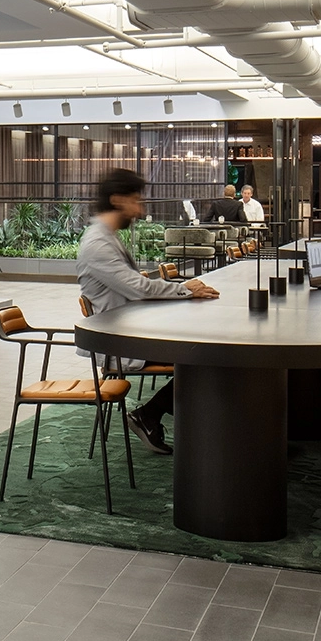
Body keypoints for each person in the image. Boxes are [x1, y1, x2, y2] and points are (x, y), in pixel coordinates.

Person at [79, 169, 220, 453]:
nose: (141, 209)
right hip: (122, 342)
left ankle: (155, 415)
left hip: (133, 330)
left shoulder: (108, 237)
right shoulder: (97, 243)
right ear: (118, 200)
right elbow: (139, 288)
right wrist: (184, 290)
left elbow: (137, 287)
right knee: (206, 356)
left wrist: (181, 289)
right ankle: (152, 416)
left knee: (208, 350)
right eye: (136, 200)